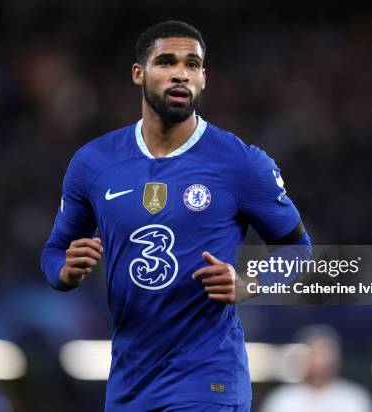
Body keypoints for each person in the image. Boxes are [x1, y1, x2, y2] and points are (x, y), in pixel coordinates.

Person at [41, 20, 310, 412]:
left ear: (203, 78)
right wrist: (66, 271)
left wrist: (251, 283)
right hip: (129, 385)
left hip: (208, 380)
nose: (181, 73)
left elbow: (298, 249)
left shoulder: (241, 163)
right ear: (139, 73)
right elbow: (52, 253)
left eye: (193, 64)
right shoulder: (93, 163)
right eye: (166, 62)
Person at [260, 325, 372, 412]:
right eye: (313, 354)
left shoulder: (355, 398)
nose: (319, 362)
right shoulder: (282, 399)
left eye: (325, 353)